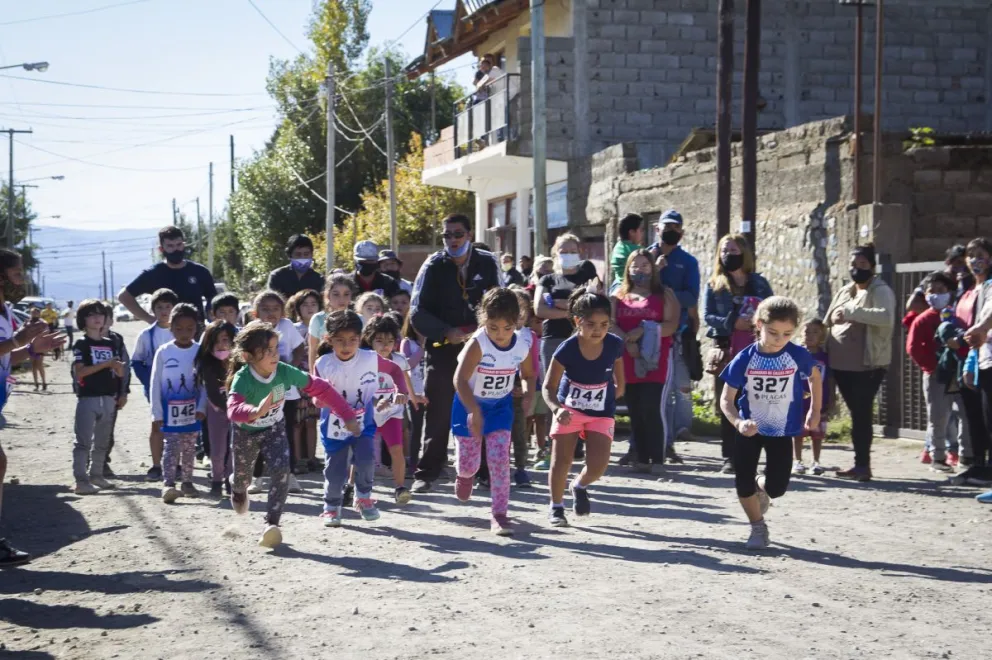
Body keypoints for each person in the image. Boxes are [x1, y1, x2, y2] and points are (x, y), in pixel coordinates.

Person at [226, 320, 359, 548]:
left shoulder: (284, 371)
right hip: (245, 433)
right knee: (242, 478)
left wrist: (347, 414)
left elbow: (320, 387)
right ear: (248, 356)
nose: (274, 355)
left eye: (275, 348)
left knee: (281, 472)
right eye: (266, 351)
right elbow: (233, 410)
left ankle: (271, 524)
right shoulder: (243, 378)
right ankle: (238, 489)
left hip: (274, 429)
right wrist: (255, 412)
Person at [408, 213, 501, 493]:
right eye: (447, 235)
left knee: (483, 406)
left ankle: (485, 471)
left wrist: (485, 330)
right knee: (438, 411)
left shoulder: (488, 262)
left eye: (458, 234)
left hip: (481, 348)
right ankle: (427, 472)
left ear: (469, 235)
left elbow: (500, 302)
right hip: (443, 348)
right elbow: (417, 312)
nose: (452, 240)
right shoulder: (432, 265)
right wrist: (445, 331)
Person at [719, 296, 821, 550]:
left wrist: (814, 410)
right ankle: (758, 527)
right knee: (742, 482)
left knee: (776, 488)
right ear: (759, 325)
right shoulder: (745, 358)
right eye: (773, 332)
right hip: (749, 429)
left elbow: (814, 377)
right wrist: (738, 423)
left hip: (781, 430)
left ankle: (760, 486)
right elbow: (726, 400)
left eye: (787, 334)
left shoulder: (797, 354)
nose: (779, 339)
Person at [313, 310, 408, 527]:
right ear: (329, 339)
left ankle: (363, 498)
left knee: (366, 460)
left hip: (363, 422)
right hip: (334, 426)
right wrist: (320, 400)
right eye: (340, 340)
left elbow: (395, 371)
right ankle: (331, 507)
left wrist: (400, 391)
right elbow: (316, 396)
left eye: (352, 340)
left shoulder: (370, 359)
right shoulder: (323, 363)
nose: (346, 346)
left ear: (360, 338)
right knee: (336, 470)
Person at [451, 288, 535, 535]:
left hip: (500, 408)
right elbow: (459, 380)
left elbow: (529, 374)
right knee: (469, 465)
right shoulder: (478, 343)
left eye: (507, 328)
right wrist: (474, 410)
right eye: (493, 327)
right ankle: (464, 474)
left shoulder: (521, 344)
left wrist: (528, 394)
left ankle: (499, 514)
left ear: (517, 321)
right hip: (468, 405)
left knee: (499, 461)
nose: (500, 334)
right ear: (484, 321)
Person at [0, 248, 64, 567]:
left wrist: (33, 349)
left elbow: (6, 356)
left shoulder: (6, 310)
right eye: (16, 273)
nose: (22, 279)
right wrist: (17, 340)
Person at [543, 289, 625, 527]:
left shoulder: (614, 344)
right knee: (561, 460)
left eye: (604, 324)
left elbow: (620, 380)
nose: (598, 330)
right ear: (578, 321)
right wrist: (557, 409)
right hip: (569, 411)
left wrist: (616, 392)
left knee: (599, 465)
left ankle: (579, 485)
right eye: (591, 324)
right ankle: (556, 507)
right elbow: (548, 387)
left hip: (601, 412)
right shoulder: (567, 348)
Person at [703, 234, 774, 473]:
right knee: (729, 402)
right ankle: (730, 456)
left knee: (756, 403)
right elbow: (708, 316)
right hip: (728, 351)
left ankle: (752, 454)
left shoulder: (759, 283)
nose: (728, 255)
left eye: (733, 251)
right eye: (724, 251)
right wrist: (732, 322)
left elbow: (773, 310)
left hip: (757, 352)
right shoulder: (714, 284)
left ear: (744, 254)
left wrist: (756, 322)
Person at [825, 243, 895, 482]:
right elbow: (829, 318)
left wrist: (852, 312)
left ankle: (863, 465)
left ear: (872, 267)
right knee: (857, 413)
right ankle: (858, 464)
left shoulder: (881, 290)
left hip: (868, 365)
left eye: (863, 264)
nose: (857, 269)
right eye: (853, 264)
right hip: (840, 364)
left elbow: (886, 317)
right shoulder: (845, 290)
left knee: (862, 414)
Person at [612, 250, 680, 472]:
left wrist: (644, 331)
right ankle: (641, 458)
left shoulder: (665, 295)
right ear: (627, 269)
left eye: (644, 265)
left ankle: (657, 458)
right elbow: (611, 324)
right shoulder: (618, 295)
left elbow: (671, 325)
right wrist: (627, 340)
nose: (639, 269)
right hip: (627, 358)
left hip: (655, 360)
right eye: (635, 265)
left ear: (653, 268)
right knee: (635, 409)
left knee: (652, 408)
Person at [534, 233, 599, 459]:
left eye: (573, 251)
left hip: (582, 339)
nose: (568, 255)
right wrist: (573, 310)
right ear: (555, 253)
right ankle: (554, 443)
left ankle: (577, 442)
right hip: (553, 339)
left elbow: (594, 303)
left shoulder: (587, 273)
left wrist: (562, 305)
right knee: (553, 390)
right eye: (563, 251)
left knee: (579, 390)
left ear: (580, 252)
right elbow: (540, 309)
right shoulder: (548, 280)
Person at [647, 209, 700, 462]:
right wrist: (653, 272)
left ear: (682, 232)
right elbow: (628, 287)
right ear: (657, 229)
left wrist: (663, 295)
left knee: (674, 389)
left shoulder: (688, 262)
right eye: (666, 227)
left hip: (675, 334)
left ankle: (670, 440)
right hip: (645, 332)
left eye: (675, 228)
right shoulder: (645, 257)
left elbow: (691, 296)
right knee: (648, 392)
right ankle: (643, 445)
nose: (670, 231)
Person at [248, 291, 305, 495]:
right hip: (260, 391)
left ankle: (290, 476)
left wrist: (292, 368)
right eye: (265, 309)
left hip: (286, 392)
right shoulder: (251, 330)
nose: (271, 313)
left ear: (282, 311)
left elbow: (299, 347)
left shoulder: (287, 326)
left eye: (275, 309)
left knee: (286, 433)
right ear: (255, 312)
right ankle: (256, 477)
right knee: (259, 432)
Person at [151, 304, 207, 503]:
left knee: (190, 448)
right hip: (169, 411)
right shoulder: (163, 352)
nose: (184, 333)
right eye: (179, 328)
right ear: (171, 327)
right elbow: (155, 383)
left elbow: (204, 383)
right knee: (171, 447)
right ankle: (168, 484)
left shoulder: (200, 352)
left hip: (193, 411)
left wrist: (202, 407)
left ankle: (187, 482)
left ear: (196, 328)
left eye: (189, 328)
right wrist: (157, 412)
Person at [948, 238, 992, 487]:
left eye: (980, 254)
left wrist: (981, 329)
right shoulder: (968, 289)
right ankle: (979, 465)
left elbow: (983, 323)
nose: (975, 260)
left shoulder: (990, 286)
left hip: (987, 357)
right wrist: (969, 363)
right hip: (976, 358)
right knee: (978, 417)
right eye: (971, 255)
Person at [905, 271, 959, 473]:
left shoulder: (956, 316)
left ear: (949, 292)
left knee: (962, 415)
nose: (936, 294)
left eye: (941, 290)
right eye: (931, 291)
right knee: (938, 417)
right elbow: (913, 348)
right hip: (935, 374)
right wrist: (932, 367)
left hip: (958, 372)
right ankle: (938, 457)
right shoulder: (922, 319)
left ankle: (965, 455)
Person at [71, 299, 127, 495]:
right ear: (83, 320)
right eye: (91, 314)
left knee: (103, 442)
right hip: (88, 398)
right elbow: (80, 372)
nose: (97, 318)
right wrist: (106, 364)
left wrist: (119, 371)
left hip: (108, 398)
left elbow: (118, 372)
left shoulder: (111, 343)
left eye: (100, 314)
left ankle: (96, 475)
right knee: (83, 442)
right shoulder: (81, 344)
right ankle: (80, 481)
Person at [364, 314, 417, 503]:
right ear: (370, 340)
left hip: (392, 413)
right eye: (379, 340)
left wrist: (413, 397)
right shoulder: (363, 360)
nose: (385, 345)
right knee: (362, 452)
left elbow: (405, 381)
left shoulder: (399, 360)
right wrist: (374, 402)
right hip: (368, 413)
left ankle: (400, 487)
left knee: (397, 450)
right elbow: (359, 388)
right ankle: (352, 486)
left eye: (390, 341)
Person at [118, 226, 218, 323]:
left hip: (196, 330)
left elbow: (213, 299)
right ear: (161, 249)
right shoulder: (153, 274)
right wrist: (149, 319)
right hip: (166, 331)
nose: (176, 249)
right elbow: (124, 296)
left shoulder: (200, 272)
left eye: (179, 245)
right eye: (170, 246)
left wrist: (211, 314)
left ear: (184, 245)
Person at [131, 288, 177, 481]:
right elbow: (136, 361)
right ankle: (157, 465)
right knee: (157, 425)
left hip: (180, 388)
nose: (164, 311)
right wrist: (149, 382)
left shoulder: (183, 331)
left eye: (168, 307)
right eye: (159, 307)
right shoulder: (146, 335)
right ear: (153, 310)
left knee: (178, 426)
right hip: (155, 388)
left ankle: (177, 464)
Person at [196, 320, 237, 496]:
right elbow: (212, 393)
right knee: (218, 449)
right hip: (217, 411)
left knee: (234, 448)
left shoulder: (240, 364)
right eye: (216, 341)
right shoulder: (208, 365)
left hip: (238, 413)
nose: (221, 345)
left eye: (225, 340)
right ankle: (216, 480)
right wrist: (229, 408)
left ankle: (230, 480)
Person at [288, 289, 322, 472]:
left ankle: (311, 457)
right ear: (297, 308)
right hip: (297, 379)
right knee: (297, 421)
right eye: (305, 304)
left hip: (315, 378)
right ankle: (298, 458)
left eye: (313, 304)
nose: (310, 308)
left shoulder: (323, 327)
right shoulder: (293, 329)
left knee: (311, 421)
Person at [793, 319, 830, 475]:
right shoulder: (796, 355)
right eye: (807, 331)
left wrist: (831, 399)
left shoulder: (825, 357)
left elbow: (829, 379)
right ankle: (797, 461)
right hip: (798, 402)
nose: (810, 335)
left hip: (819, 401)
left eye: (815, 332)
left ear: (822, 336)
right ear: (800, 333)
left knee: (817, 434)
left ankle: (816, 462)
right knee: (797, 433)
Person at [99, 304, 130, 479]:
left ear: (111, 320)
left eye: (105, 318)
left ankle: (103, 461)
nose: (100, 322)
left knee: (108, 430)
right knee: (90, 430)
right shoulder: (85, 342)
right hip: (91, 394)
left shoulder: (117, 341)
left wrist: (123, 392)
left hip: (113, 393)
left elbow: (126, 367)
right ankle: (91, 463)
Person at [308, 273, 355, 373]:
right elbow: (313, 351)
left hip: (352, 371)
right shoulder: (318, 319)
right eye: (336, 294)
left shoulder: (358, 319)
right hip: (325, 370)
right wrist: (313, 377)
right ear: (327, 295)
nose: (341, 299)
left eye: (346, 294)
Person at [266, 234, 325, 300]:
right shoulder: (277, 276)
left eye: (306, 254)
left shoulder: (319, 279)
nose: (302, 258)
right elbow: (272, 302)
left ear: (311, 255)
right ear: (290, 255)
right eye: (298, 254)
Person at [609, 213, 644, 291]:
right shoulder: (637, 251)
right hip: (631, 289)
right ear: (632, 232)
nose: (643, 233)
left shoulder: (618, 246)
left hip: (617, 287)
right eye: (641, 230)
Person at [28, 308, 46, 391]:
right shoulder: (28, 322)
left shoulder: (42, 322)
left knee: (39, 365)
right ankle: (36, 384)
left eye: (35, 313)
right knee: (33, 365)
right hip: (30, 346)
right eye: (32, 313)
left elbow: (47, 332)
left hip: (40, 346)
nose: (33, 314)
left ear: (39, 314)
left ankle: (44, 382)